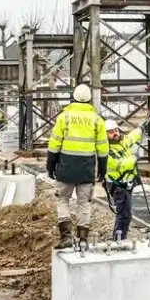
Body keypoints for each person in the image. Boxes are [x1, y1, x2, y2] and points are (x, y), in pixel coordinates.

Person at [47, 83, 109, 249]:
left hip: (66, 166)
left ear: (73, 98)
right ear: (89, 99)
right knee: (84, 203)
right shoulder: (97, 120)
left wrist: (50, 166)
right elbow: (103, 148)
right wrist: (103, 169)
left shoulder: (64, 117)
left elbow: (54, 144)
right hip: (86, 168)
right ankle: (83, 239)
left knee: (62, 200)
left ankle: (66, 236)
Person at [103, 118, 143, 240]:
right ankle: (119, 240)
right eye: (111, 132)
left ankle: (119, 238)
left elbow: (131, 137)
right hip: (118, 186)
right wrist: (134, 158)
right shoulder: (106, 150)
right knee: (124, 215)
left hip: (126, 184)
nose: (115, 133)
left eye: (116, 130)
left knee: (124, 214)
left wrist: (140, 129)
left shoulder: (120, 142)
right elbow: (120, 164)